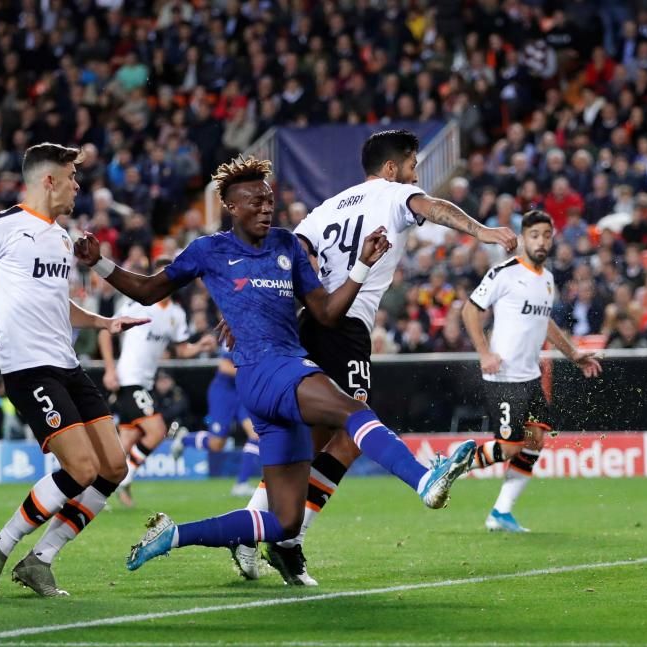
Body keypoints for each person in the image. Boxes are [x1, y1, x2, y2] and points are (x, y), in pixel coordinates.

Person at [74, 155, 477, 575]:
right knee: (354, 413)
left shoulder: (287, 244)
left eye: (269, 201)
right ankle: (423, 479)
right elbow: (146, 289)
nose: (266, 208)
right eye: (255, 202)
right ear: (231, 206)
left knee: (284, 521)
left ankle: (173, 535)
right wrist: (99, 264)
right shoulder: (209, 250)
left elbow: (324, 313)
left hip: (277, 377)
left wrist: (361, 265)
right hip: (267, 369)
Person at [236, 129, 517, 585]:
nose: (415, 177)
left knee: (309, 445)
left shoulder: (326, 208)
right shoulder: (395, 195)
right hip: (345, 329)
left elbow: (294, 258)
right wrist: (483, 231)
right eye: (412, 167)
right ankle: (289, 541)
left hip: (309, 323)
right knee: (351, 433)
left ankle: (252, 531)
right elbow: (434, 208)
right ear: (392, 169)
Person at [0, 143, 148, 598]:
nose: (78, 187)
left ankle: (41, 559)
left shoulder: (62, 238)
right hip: (29, 370)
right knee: (81, 467)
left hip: (68, 366)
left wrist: (105, 322)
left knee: (113, 467)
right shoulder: (1, 226)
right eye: (72, 177)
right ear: (49, 181)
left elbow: (57, 303)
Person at [461, 210, 602, 532]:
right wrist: (484, 352)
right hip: (504, 375)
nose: (541, 241)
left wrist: (574, 354)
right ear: (523, 238)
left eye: (546, 235)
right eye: (534, 235)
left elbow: (545, 322)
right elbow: (469, 310)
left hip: (530, 375)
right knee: (509, 446)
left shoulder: (548, 279)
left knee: (535, 440)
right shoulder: (505, 272)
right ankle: (457, 463)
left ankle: (500, 512)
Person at [98, 256, 218, 507]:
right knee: (157, 430)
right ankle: (124, 479)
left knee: (127, 441)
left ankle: (95, 490)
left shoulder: (175, 314)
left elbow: (182, 351)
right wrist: (110, 369)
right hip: (129, 379)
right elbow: (105, 332)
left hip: (145, 383)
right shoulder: (137, 303)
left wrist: (200, 346)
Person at [169, 348, 262, 498]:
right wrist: (251, 376)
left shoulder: (266, 342)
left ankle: (241, 484)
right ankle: (185, 439)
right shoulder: (242, 336)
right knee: (216, 444)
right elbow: (224, 366)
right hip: (224, 394)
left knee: (256, 434)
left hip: (243, 394)